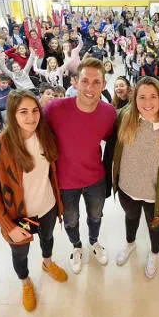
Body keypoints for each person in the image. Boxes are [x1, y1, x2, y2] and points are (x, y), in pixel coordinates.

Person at [0, 91, 67, 312]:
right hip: (20, 215)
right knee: (20, 252)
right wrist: (8, 227)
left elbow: (51, 172)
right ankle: (25, 281)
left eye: (35, 110)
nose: (31, 117)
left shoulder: (45, 135)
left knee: (47, 238)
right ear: (12, 115)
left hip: (47, 207)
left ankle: (47, 264)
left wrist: (59, 204)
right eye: (23, 112)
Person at [44, 58, 117, 274]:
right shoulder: (54, 109)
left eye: (96, 82)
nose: (90, 88)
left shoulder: (109, 113)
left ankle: (93, 241)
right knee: (71, 220)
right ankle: (76, 246)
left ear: (104, 85)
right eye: (85, 81)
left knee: (96, 216)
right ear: (75, 82)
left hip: (95, 178)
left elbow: (111, 142)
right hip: (65, 183)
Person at [112, 77, 159, 278]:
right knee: (130, 218)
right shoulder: (124, 118)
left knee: (154, 226)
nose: (147, 103)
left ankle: (154, 254)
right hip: (127, 188)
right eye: (142, 97)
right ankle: (130, 244)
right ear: (134, 98)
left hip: (155, 195)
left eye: (153, 96)